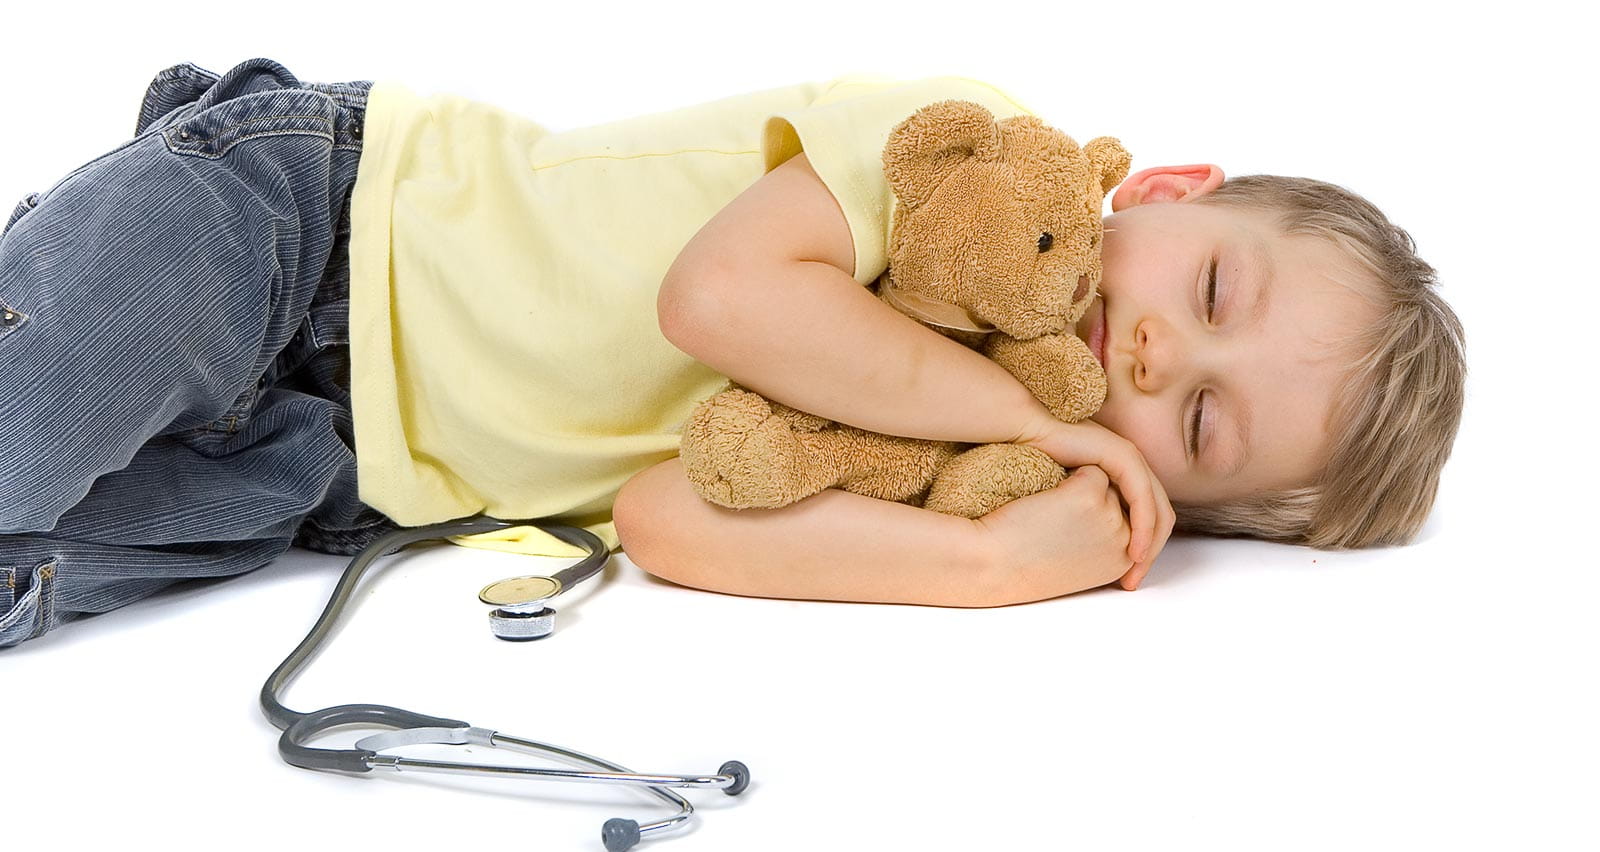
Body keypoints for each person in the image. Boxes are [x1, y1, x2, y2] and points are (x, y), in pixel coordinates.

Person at [0, 58, 1465, 647]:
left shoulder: (957, 463)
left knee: (22, 578)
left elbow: (669, 518)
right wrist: (1030, 420)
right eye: (1209, 289)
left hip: (327, 479)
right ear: (1167, 191)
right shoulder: (971, 161)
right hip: (315, 225)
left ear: (1165, 507)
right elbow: (720, 298)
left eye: (1198, 420)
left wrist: (983, 561)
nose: (1153, 356)